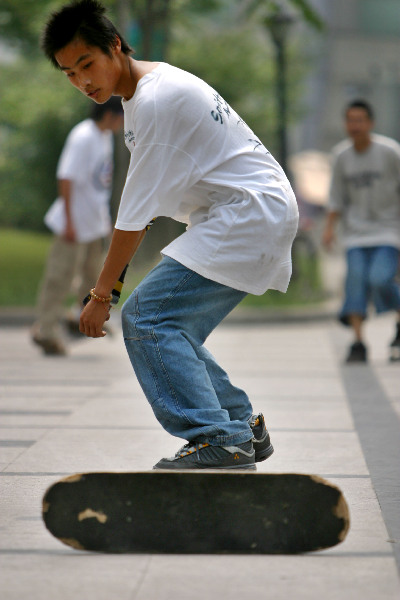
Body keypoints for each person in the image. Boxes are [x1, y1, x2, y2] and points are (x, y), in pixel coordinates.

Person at [40, 0, 298, 470]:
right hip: (247, 212)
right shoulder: (147, 90)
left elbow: (133, 218)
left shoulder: (156, 100)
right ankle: (242, 426)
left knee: (148, 318)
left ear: (114, 46)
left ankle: (218, 436)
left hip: (246, 215)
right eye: (69, 74)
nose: (82, 81)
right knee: (171, 326)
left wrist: (103, 294)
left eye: (87, 64)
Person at [32, 97, 124, 355]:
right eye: (121, 116)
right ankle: (45, 328)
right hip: (73, 224)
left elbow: (99, 185)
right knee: (60, 276)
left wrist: (104, 221)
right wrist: (70, 222)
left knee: (92, 277)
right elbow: (66, 177)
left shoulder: (104, 137)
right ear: (110, 115)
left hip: (93, 223)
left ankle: (76, 317)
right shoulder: (83, 135)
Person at [322, 99, 400, 363]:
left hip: (388, 231)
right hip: (355, 234)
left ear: (370, 123)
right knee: (355, 282)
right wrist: (329, 229)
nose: (355, 126)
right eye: (350, 120)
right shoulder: (341, 155)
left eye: (360, 120)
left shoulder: (390, 152)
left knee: (380, 279)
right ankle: (358, 343)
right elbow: (336, 197)